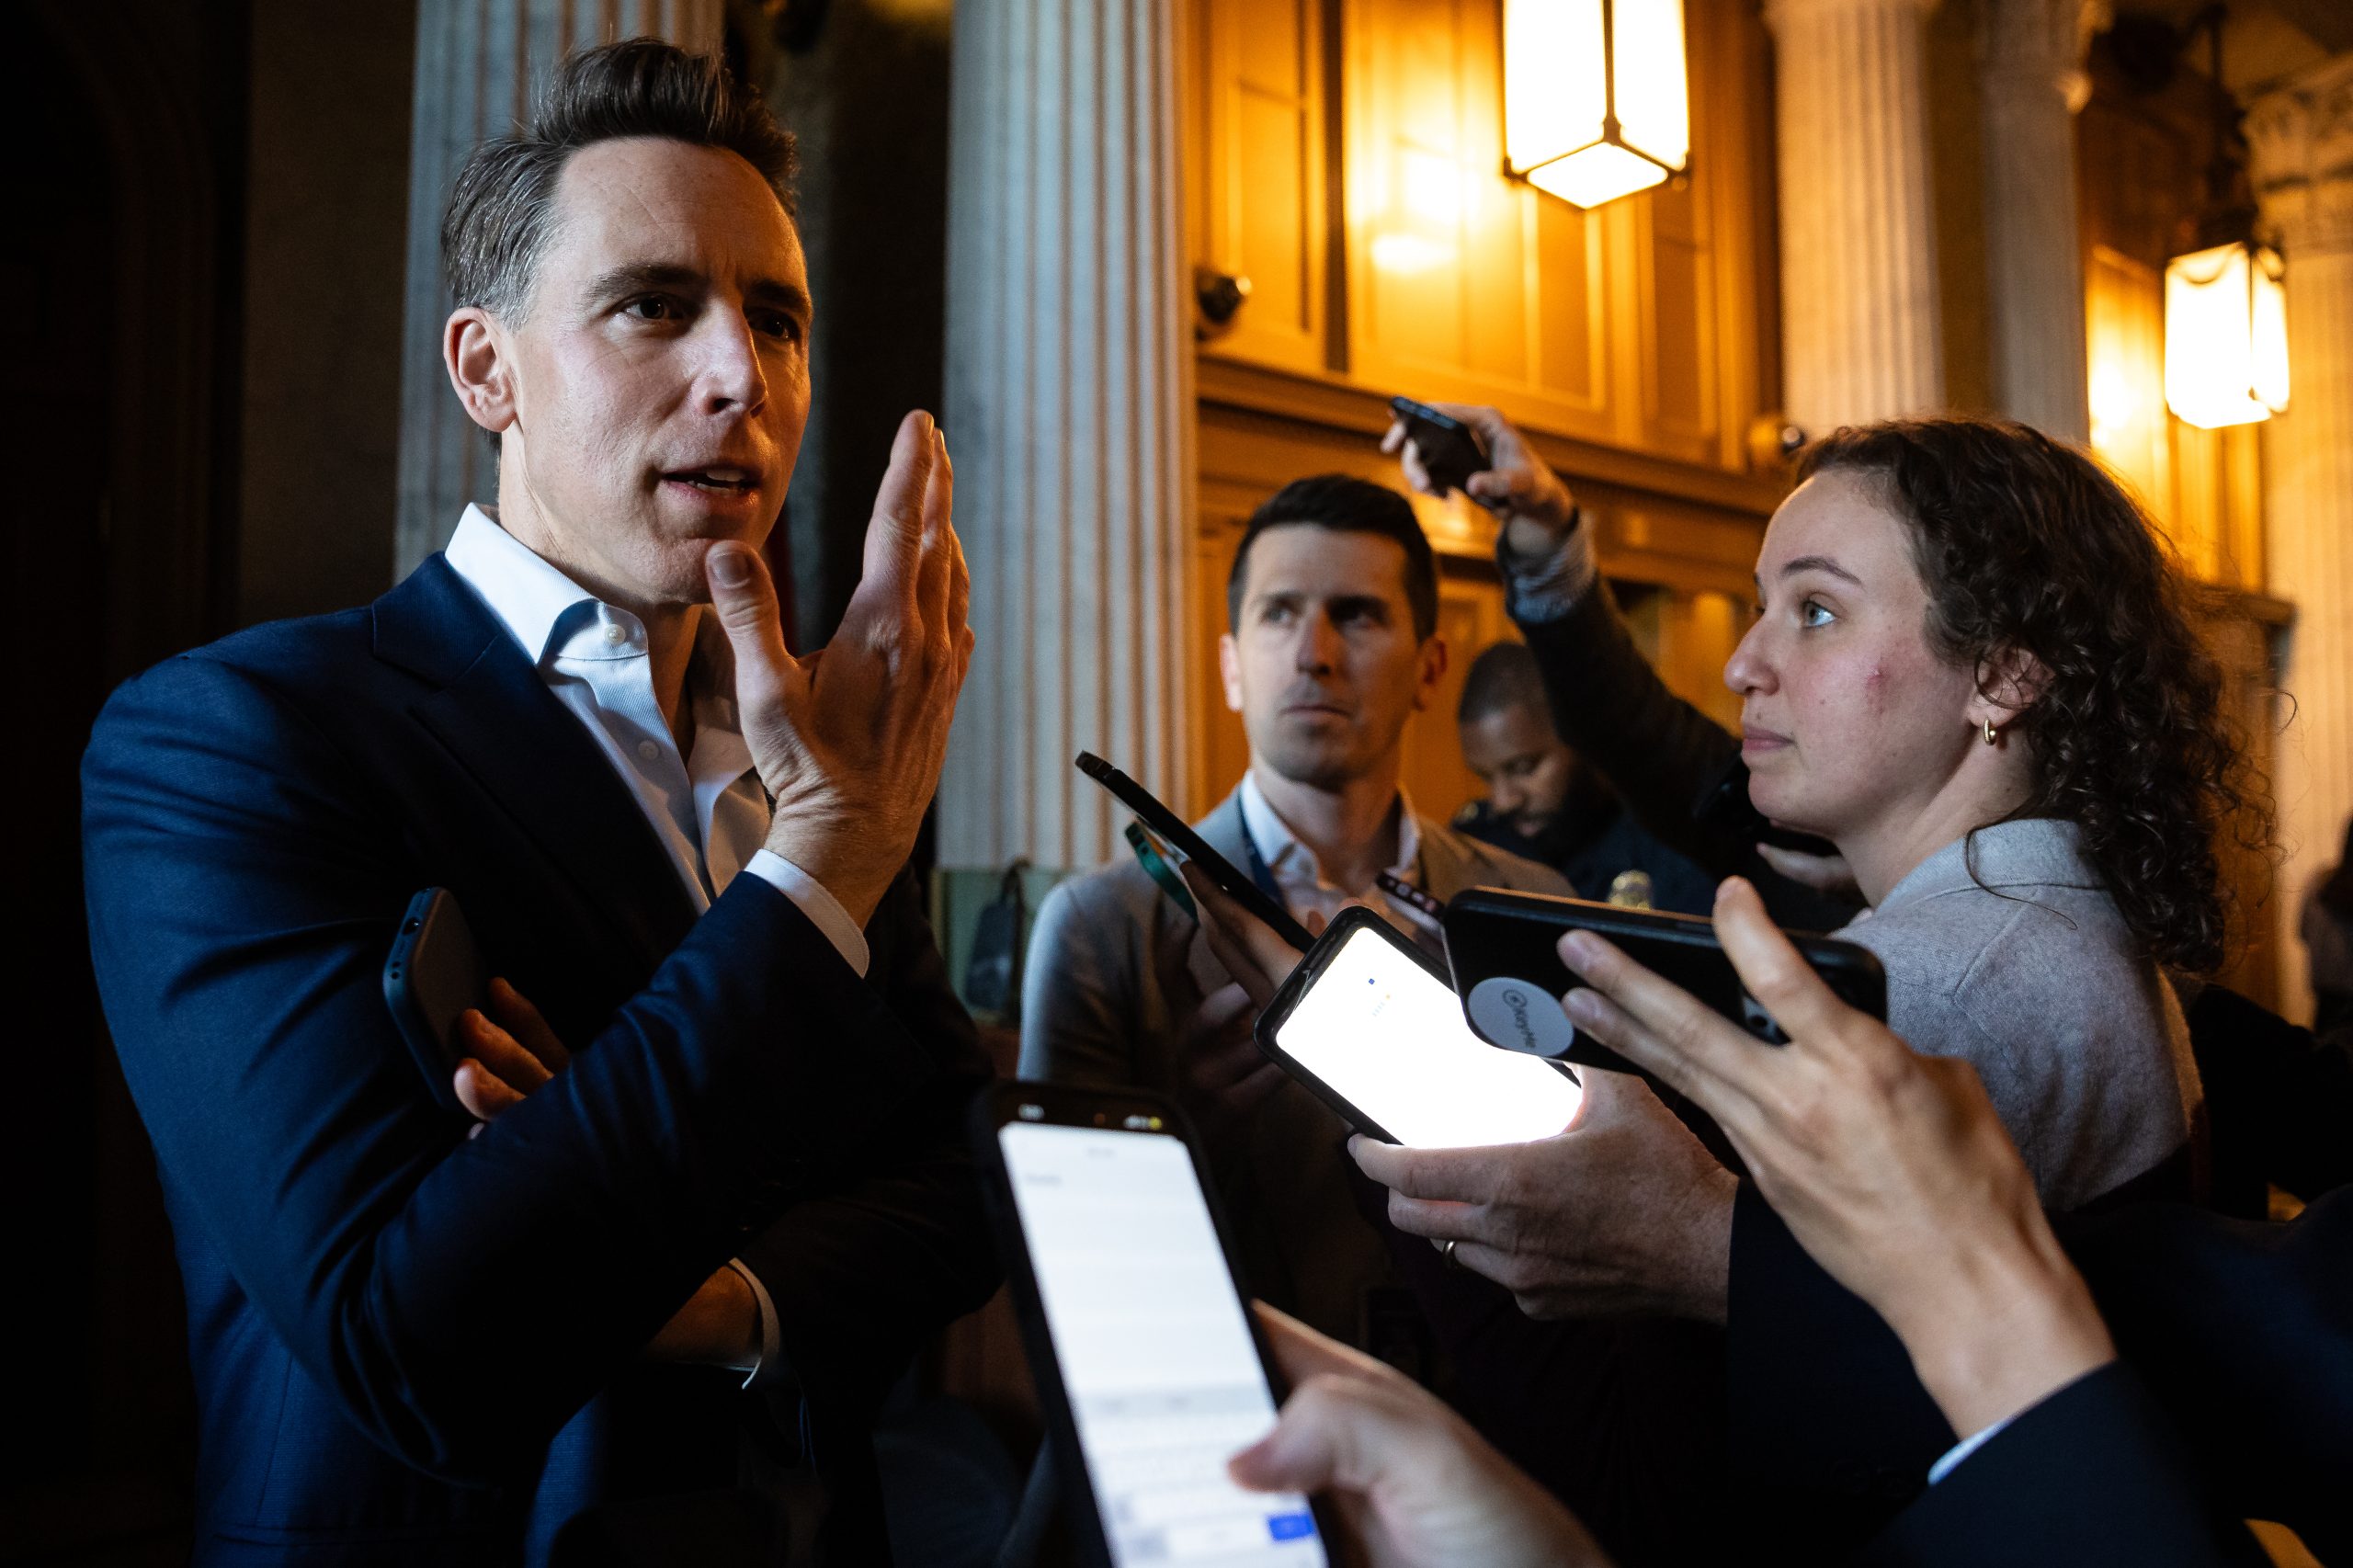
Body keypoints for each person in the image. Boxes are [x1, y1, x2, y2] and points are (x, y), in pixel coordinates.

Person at [81, 41, 991, 1564]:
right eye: (654, 305)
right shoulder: (235, 738)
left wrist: (718, 1296)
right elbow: (409, 1334)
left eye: (777, 320)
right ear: (485, 369)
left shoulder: (807, 749)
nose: (739, 376)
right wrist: (822, 868)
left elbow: (965, 1185)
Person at [1211, 875, 2281, 1568]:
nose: (1745, 664)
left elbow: (1652, 1494)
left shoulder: (1946, 985)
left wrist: (1705, 1236)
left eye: (1815, 613)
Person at [1387, 405, 2250, 1212]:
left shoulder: (1927, 992)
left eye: (1818, 610)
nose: (1741, 665)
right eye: (1765, 606)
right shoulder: (2056, 913)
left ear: (2000, 678)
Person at [1018, 474, 1569, 1350]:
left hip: (1499, 1404)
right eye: (1279, 614)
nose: (1314, 653)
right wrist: (1181, 1132)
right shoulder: (1099, 926)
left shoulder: (1533, 906)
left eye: (1357, 615)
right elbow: (1058, 1264)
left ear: (1430, 668)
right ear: (1232, 668)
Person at [1451, 640, 1719, 915]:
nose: (1503, 801)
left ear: (1582, 737)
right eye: (1485, 777)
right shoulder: (1476, 846)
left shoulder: (1667, 842)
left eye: (1524, 768)